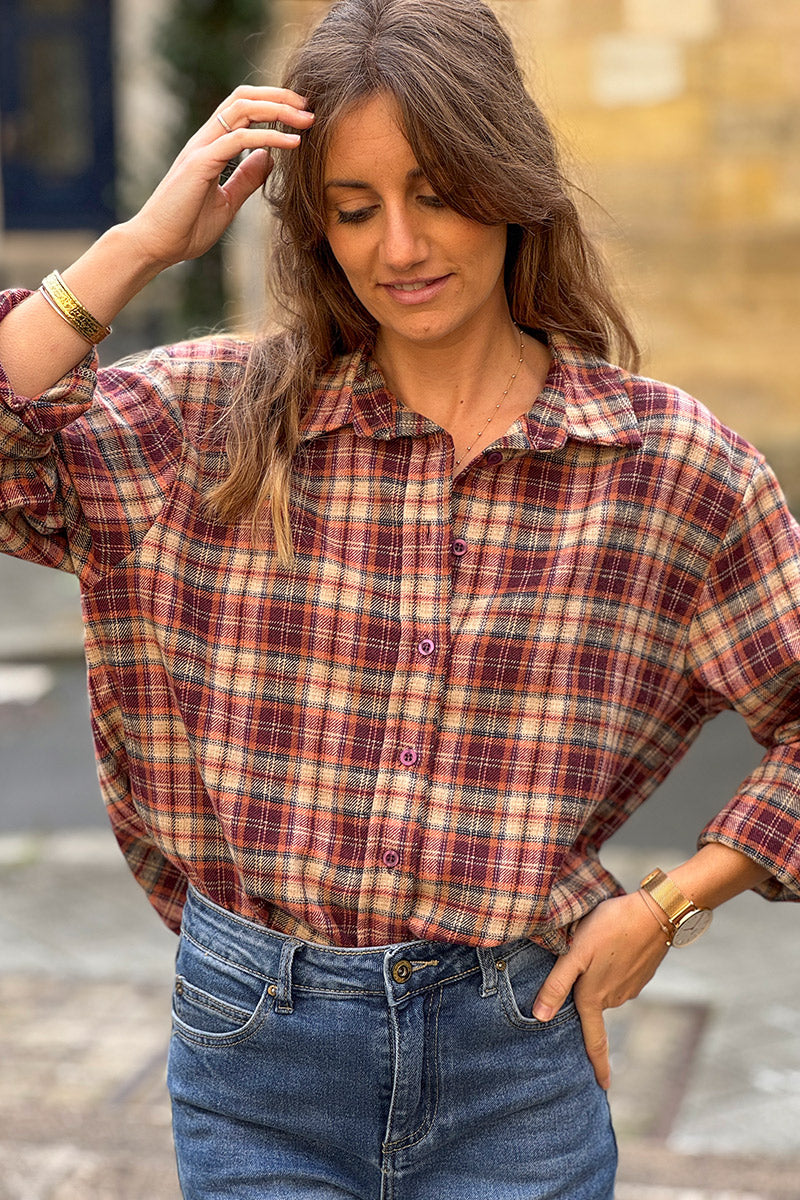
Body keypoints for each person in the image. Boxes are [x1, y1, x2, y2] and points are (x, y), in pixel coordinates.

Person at [1, 0, 798, 1196]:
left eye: (435, 191)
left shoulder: (667, 469)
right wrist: (141, 244)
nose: (399, 249)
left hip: (513, 1056)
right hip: (250, 1056)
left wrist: (671, 904)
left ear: (508, 181)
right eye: (353, 209)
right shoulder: (209, 425)